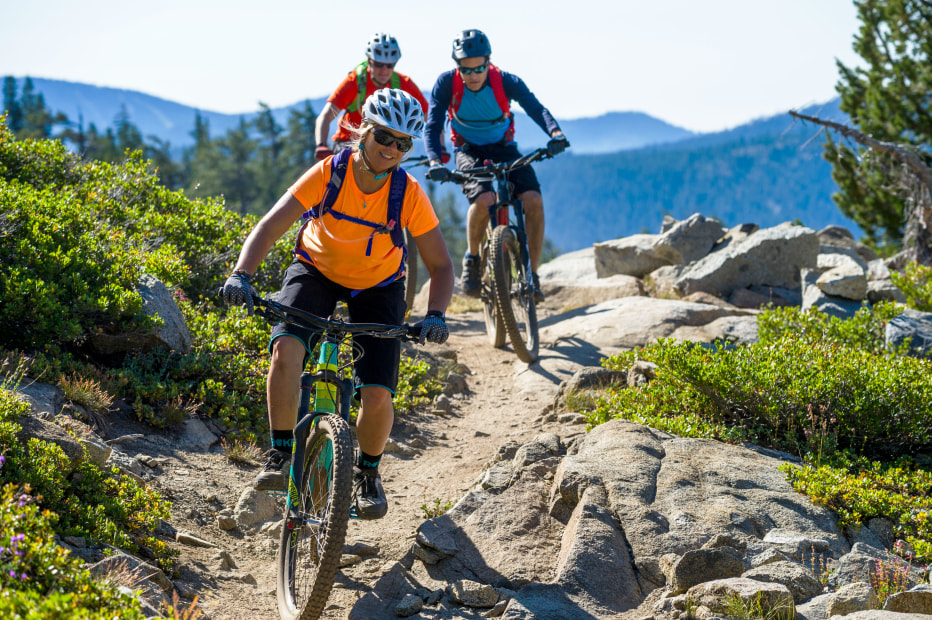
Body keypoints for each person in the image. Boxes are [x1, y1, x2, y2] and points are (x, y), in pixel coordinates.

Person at [222, 88, 455, 520]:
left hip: (380, 286)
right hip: (316, 270)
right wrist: (242, 273)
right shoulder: (330, 172)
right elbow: (270, 226)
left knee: (378, 393)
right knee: (286, 350)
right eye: (384, 136)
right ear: (363, 131)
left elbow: (441, 266)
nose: (391, 149)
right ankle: (279, 452)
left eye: (403, 144)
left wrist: (435, 315)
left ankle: (368, 472)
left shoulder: (409, 193)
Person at [424, 29, 569, 303]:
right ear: (458, 67)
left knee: (533, 200)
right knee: (484, 199)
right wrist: (434, 160)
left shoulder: (505, 81)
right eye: (465, 70)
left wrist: (556, 134)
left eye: (479, 67)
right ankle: (473, 258)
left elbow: (535, 108)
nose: (473, 75)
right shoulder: (446, 83)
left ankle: (531, 274)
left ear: (488, 62)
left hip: (504, 148)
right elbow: (432, 125)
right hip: (468, 150)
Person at [315, 33, 431, 160]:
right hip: (349, 144)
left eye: (390, 65)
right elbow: (325, 116)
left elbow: (430, 118)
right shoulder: (355, 81)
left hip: (386, 144)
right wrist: (322, 145)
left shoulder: (403, 83)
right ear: (369, 61)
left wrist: (438, 149)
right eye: (379, 64)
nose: (384, 70)